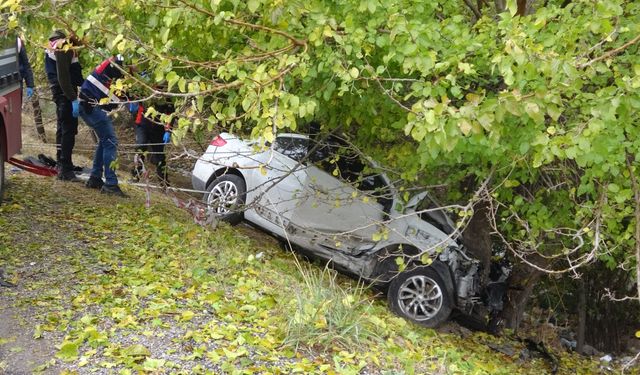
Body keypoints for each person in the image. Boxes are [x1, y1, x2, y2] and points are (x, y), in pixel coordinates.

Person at [77, 55, 128, 197]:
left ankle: (95, 177)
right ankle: (110, 183)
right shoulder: (117, 63)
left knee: (104, 141)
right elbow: (120, 79)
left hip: (90, 106)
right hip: (91, 107)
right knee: (111, 141)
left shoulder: (118, 65)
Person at [45, 30, 84, 181]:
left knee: (62, 127)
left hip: (61, 92)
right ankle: (65, 168)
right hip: (65, 93)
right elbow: (63, 77)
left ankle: (61, 161)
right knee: (68, 129)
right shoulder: (63, 47)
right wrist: (73, 98)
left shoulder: (53, 45)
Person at [128, 99, 174, 184]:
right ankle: (135, 175)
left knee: (159, 155)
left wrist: (168, 131)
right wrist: (132, 104)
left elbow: (170, 114)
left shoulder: (166, 96)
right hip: (142, 124)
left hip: (158, 127)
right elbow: (132, 98)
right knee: (140, 147)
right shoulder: (143, 91)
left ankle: (163, 181)